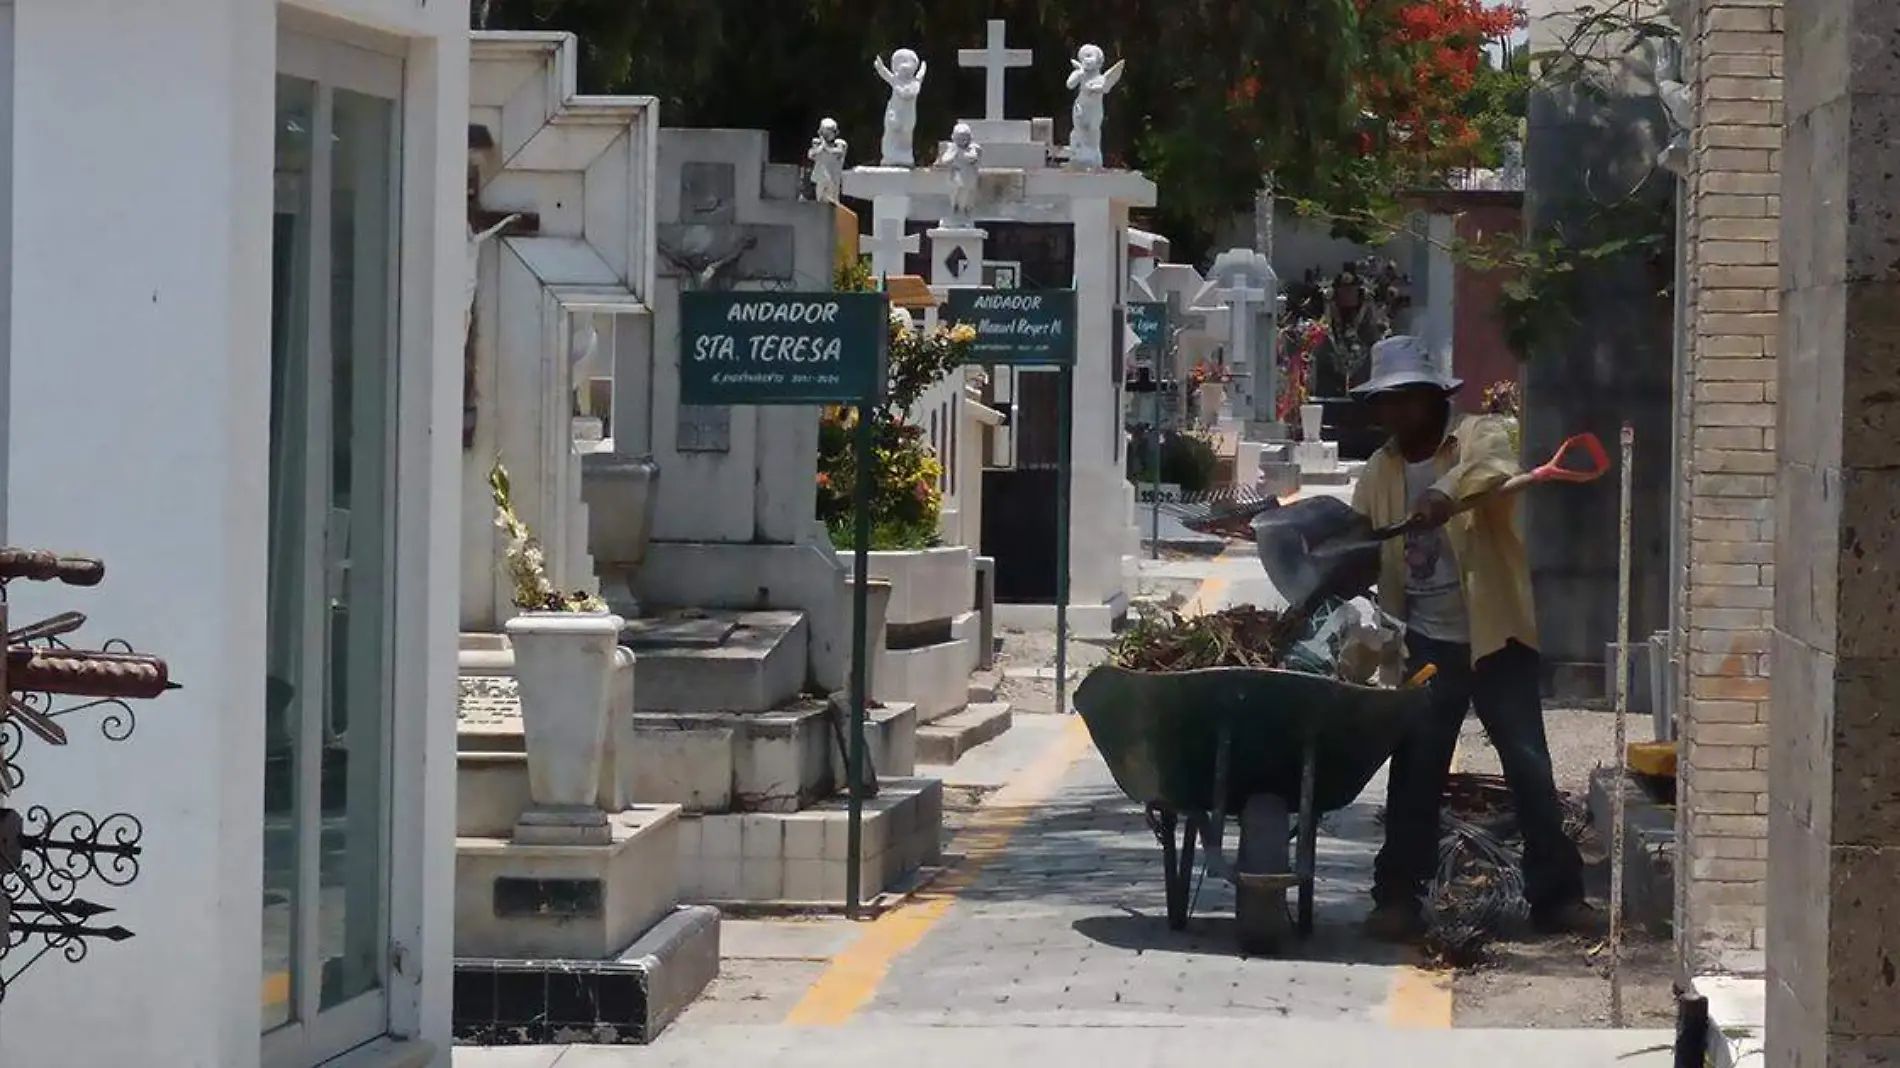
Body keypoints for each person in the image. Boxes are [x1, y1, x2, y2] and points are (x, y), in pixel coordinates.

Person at [1347, 335, 1594, 941]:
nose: (1398, 413)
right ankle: (1399, 897)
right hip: (1425, 643)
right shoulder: (1380, 471)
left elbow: (1492, 471)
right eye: (1388, 403)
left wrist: (1443, 493)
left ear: (1435, 399)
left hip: (1495, 636)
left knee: (1529, 766)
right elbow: (1359, 537)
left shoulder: (1478, 436)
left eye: (1409, 400)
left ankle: (1557, 897)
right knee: (1415, 774)